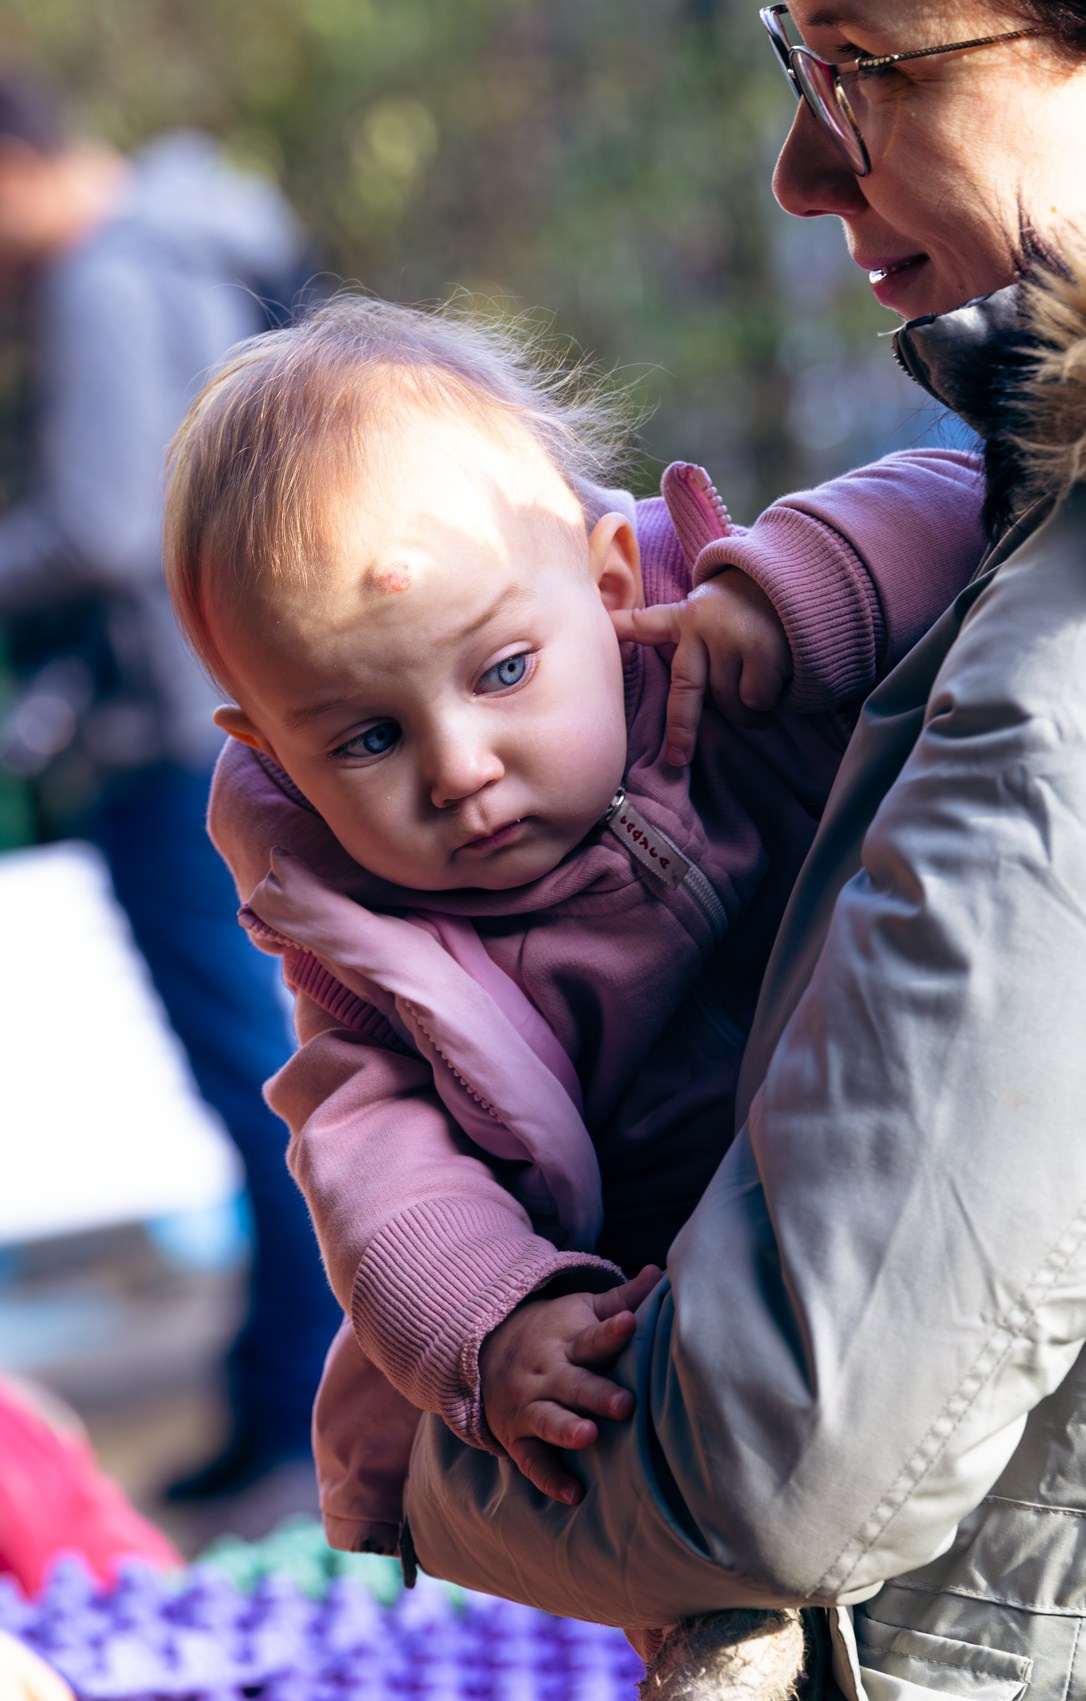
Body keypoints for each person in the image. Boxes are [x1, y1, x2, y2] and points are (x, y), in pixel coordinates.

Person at [391, 7, 1086, 1700]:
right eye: (796, 60)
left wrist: (421, 1457)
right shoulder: (1004, 526)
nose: (797, 168)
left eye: (859, 59)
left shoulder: (1058, 679)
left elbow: (780, 1458)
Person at [163, 293, 985, 1688]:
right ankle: (717, 1624)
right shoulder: (368, 943)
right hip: (663, 1291)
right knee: (629, 1450)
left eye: (501, 671)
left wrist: (798, 592)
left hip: (888, 1145)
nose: (460, 765)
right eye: (365, 735)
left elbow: (968, 504)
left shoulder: (720, 658)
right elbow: (376, 1167)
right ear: (275, 755)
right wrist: (492, 1318)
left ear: (608, 584)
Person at [0, 72, 343, 1502]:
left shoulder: (101, 278)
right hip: (258, 703)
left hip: (175, 733)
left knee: (257, 1067)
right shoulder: (208, 231)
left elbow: (109, 525)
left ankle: (306, 1392)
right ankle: (295, 1375)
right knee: (294, 1052)